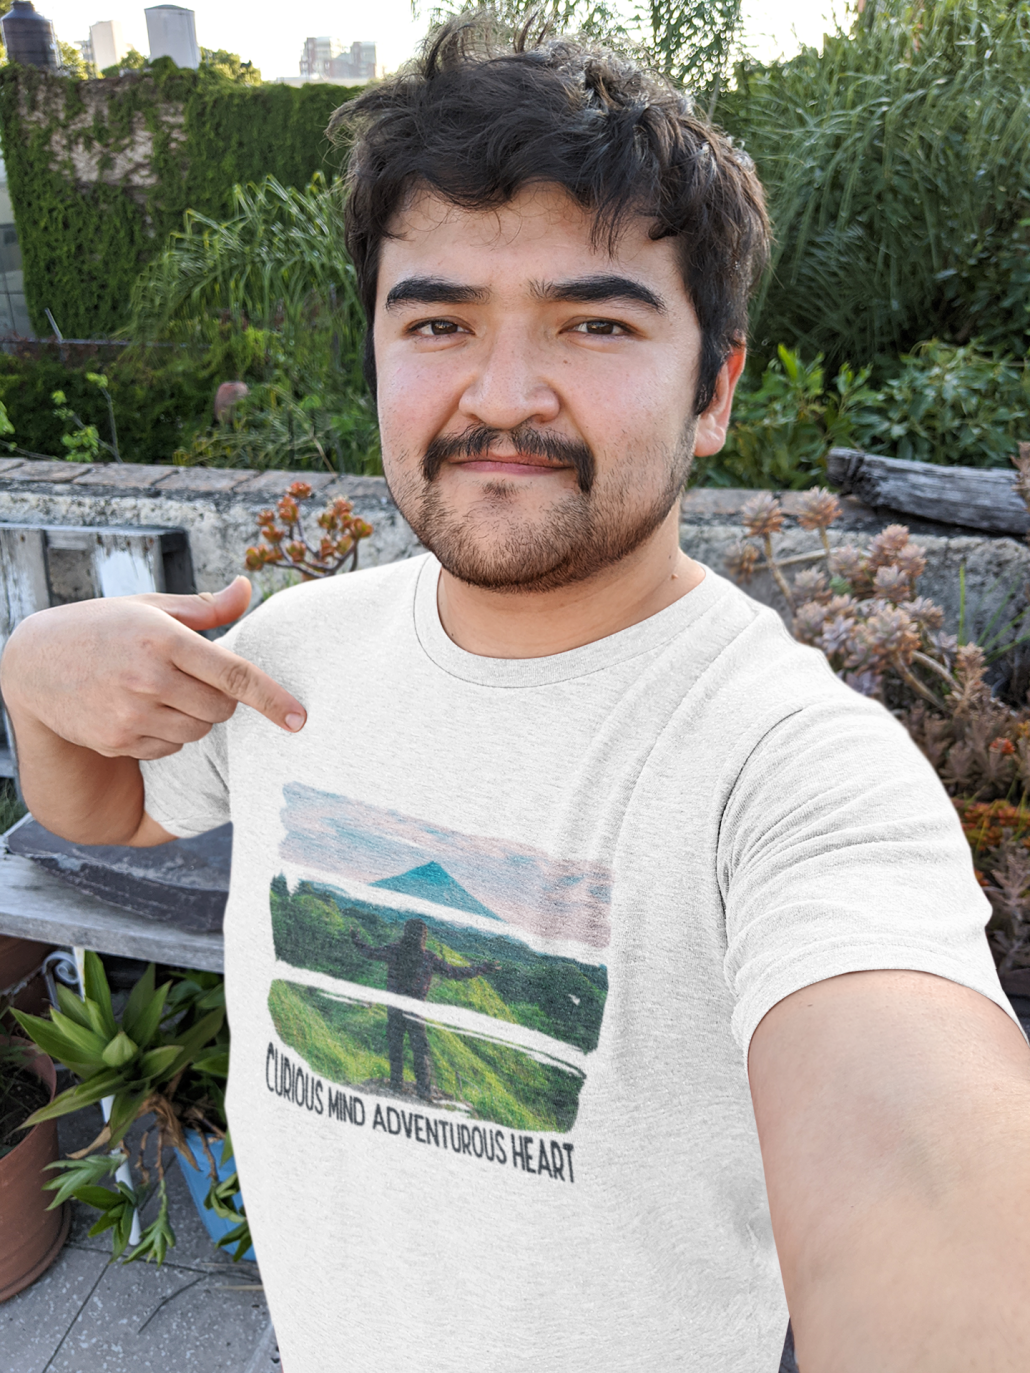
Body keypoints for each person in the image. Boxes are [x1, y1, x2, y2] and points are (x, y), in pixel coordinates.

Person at [3, 18, 1029, 1372]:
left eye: (593, 321)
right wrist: (33, 673)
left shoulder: (792, 765)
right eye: (438, 321)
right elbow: (111, 812)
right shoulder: (302, 648)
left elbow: (924, 1172)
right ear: (375, 350)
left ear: (711, 386)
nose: (501, 396)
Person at [349, 918, 499, 1098]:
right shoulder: (429, 958)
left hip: (395, 1008)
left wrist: (356, 939)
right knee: (420, 1052)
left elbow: (369, 952)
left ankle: (396, 1083)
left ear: (406, 933)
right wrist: (482, 968)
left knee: (395, 1046)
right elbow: (455, 972)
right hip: (415, 1013)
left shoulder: (394, 951)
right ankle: (424, 1091)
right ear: (423, 937)